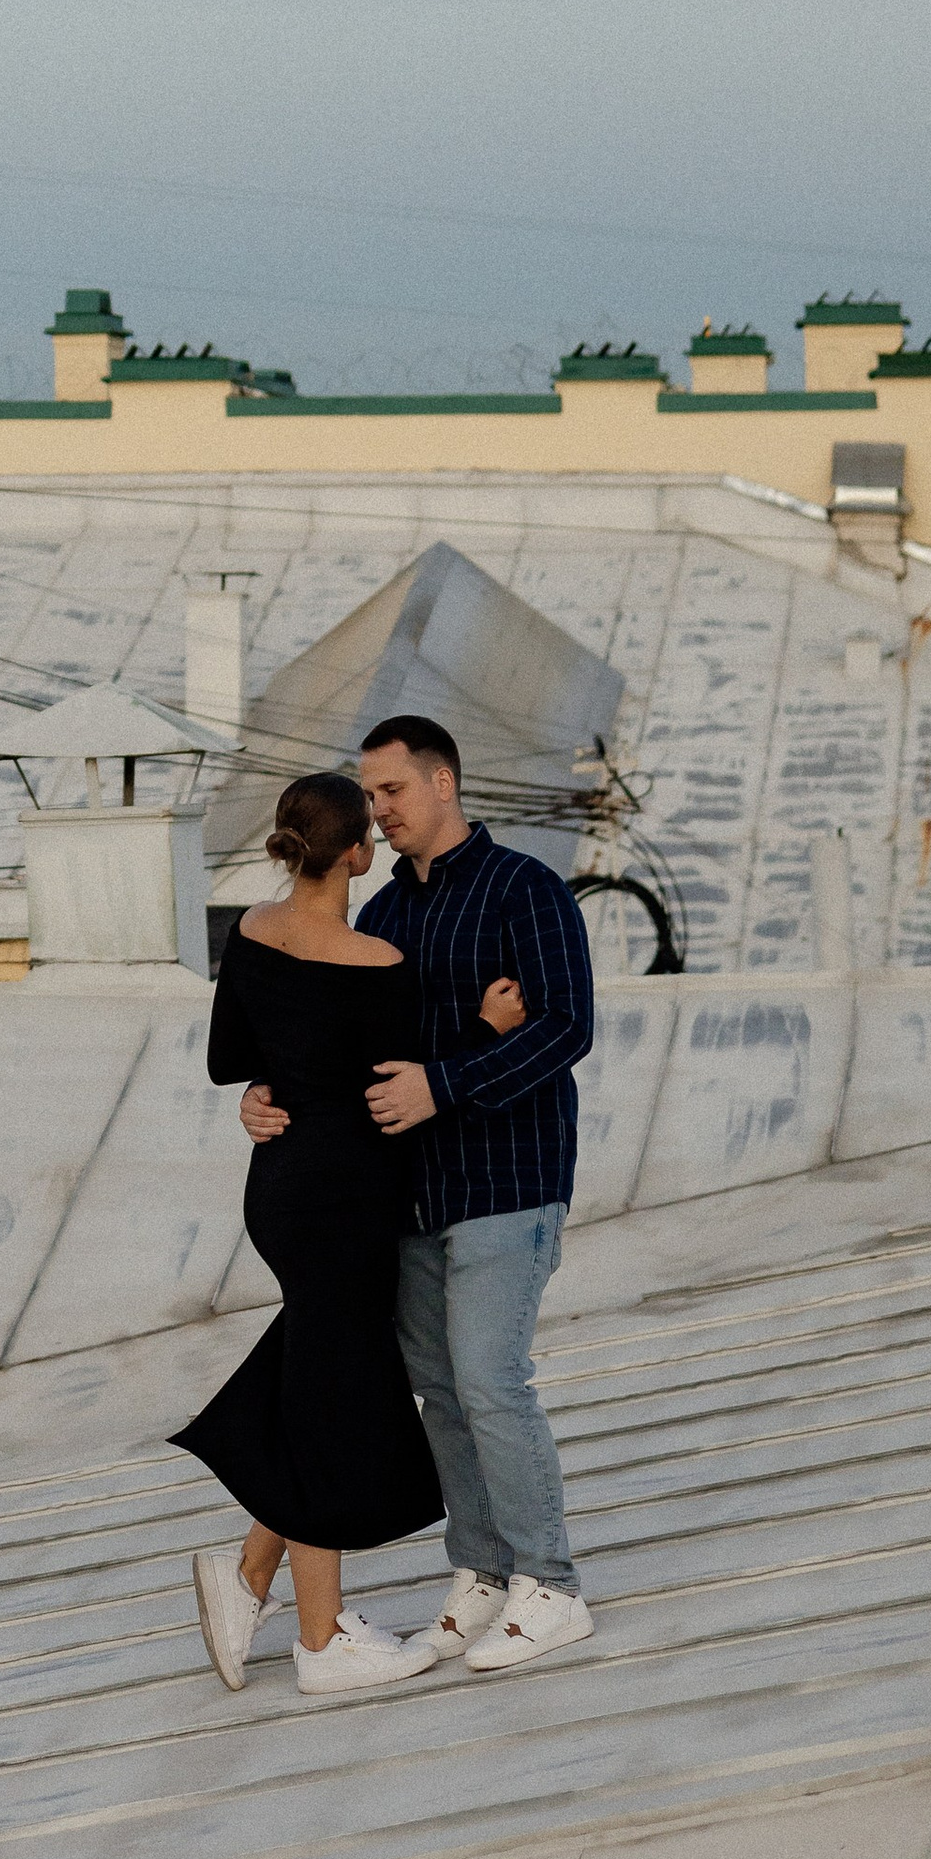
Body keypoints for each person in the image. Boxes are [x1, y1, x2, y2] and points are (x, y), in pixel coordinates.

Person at [238, 712, 598, 1676]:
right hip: (406, 1192)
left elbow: (567, 1027)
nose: (377, 810)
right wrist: (266, 1097)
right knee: (441, 1392)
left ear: (443, 783)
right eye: (369, 798)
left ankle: (553, 1585)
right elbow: (342, 1049)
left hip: (509, 1179)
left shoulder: (528, 890)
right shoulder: (385, 915)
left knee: (489, 1377)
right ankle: (481, 1572)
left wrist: (448, 1081)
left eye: (391, 791)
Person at [172, 769, 450, 1699]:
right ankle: (321, 1640)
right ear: (358, 855)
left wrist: (266, 1090)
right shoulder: (378, 966)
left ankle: (251, 1573)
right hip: (350, 1202)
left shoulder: (249, 935)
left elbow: (227, 1063)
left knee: (314, 1370)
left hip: (282, 1192)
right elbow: (409, 1090)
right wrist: (490, 1028)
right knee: (331, 1394)